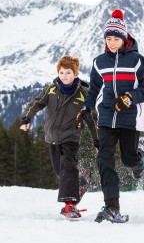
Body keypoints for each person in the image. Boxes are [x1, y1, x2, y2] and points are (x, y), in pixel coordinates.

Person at [76, 9, 144, 223]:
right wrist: (86, 108)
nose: (111, 42)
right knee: (104, 160)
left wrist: (129, 97)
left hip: (130, 118)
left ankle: (140, 159)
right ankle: (112, 207)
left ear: (124, 38)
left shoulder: (139, 61)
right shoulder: (99, 62)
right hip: (107, 117)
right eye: (108, 38)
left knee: (129, 160)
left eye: (115, 38)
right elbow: (93, 90)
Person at [20, 55, 99, 219]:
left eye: (68, 72)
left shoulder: (84, 94)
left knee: (68, 168)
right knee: (61, 171)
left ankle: (70, 205)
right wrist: (26, 119)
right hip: (52, 137)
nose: (64, 76)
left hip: (71, 138)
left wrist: (97, 141)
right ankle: (81, 183)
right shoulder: (51, 89)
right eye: (61, 72)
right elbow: (35, 103)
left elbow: (91, 120)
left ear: (75, 74)